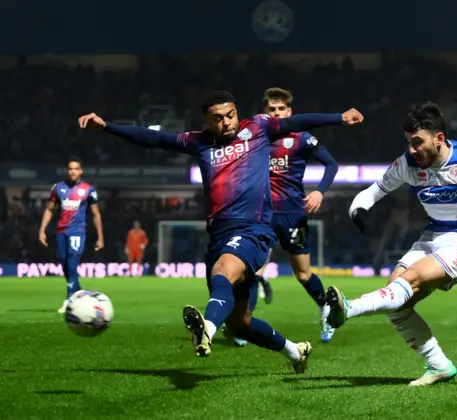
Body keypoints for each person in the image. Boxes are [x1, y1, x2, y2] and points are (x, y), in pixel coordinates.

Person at [78, 91, 363, 373]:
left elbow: (300, 121)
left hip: (254, 229)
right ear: (207, 120)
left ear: (237, 112)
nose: (227, 122)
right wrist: (107, 128)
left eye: (231, 115)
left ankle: (208, 331)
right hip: (218, 234)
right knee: (241, 323)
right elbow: (155, 138)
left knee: (223, 273)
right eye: (218, 118)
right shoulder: (198, 142)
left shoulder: (258, 128)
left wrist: (339, 117)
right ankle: (294, 351)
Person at [326, 102, 457, 385]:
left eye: (418, 142)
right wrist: (359, 209)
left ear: (438, 138)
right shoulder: (408, 164)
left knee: (411, 279)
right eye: (408, 142)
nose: (412, 149)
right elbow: (373, 191)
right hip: (432, 236)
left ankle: (348, 308)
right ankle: (439, 366)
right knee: (397, 301)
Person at [256, 87, 340, 342]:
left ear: (289, 111)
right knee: (252, 269)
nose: (277, 113)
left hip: (293, 213)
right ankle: (241, 324)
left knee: (302, 273)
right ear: (265, 112)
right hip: (261, 213)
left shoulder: (302, 138)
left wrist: (320, 192)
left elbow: (331, 164)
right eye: (272, 109)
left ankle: (327, 309)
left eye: (281, 109)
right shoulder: (256, 136)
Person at [38, 158, 104, 313]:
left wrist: (100, 237)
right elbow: (49, 210)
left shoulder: (88, 189)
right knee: (65, 264)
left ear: (81, 171)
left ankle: (69, 300)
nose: (73, 171)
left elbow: (96, 214)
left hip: (78, 230)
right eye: (70, 169)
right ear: (67, 171)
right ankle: (82, 295)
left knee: (73, 258)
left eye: (76, 168)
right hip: (61, 231)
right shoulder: (58, 188)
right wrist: (42, 230)